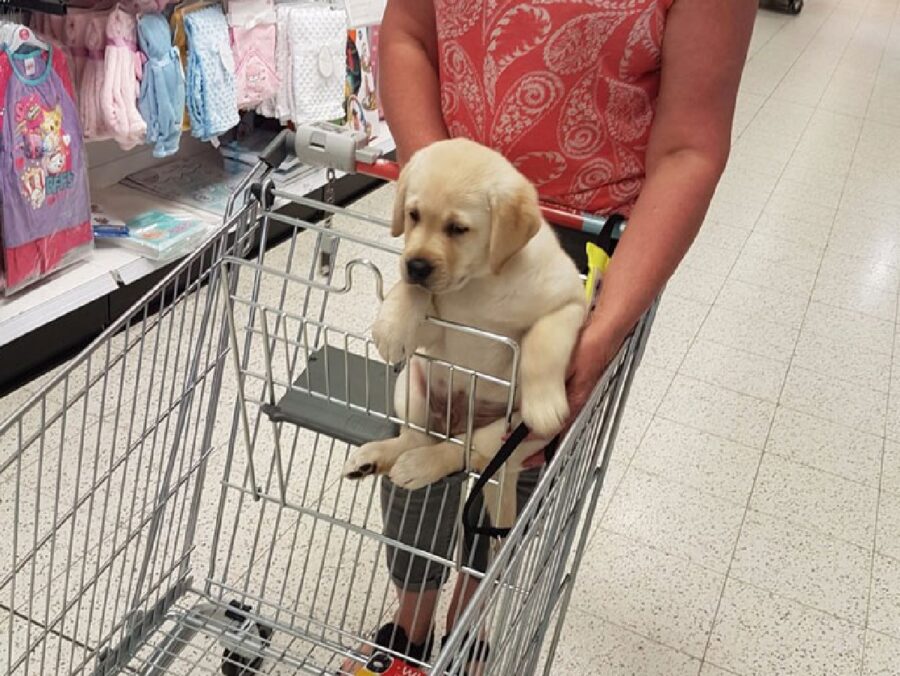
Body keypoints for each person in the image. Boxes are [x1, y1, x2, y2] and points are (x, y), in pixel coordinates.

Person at [342, 1, 756, 672]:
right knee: (425, 415)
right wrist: (440, 193)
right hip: (460, 213)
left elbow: (690, 146)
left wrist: (603, 330)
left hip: (581, 240)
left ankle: (467, 628)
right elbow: (411, 35)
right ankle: (409, 633)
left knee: (517, 454)